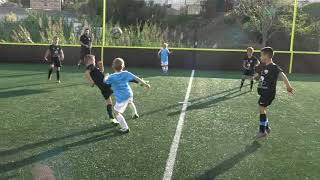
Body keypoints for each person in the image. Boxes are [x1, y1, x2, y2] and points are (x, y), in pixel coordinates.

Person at [255, 47, 295, 139]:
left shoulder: (274, 67)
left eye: (261, 55)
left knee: (261, 109)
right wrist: (256, 76)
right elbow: (261, 74)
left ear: (266, 56)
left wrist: (288, 86)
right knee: (263, 109)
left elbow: (282, 75)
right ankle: (267, 128)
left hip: (268, 93)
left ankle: (262, 131)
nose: (260, 57)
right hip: (263, 92)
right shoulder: (264, 66)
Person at [104, 58, 150, 133]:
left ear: (112, 66)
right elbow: (137, 78)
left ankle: (125, 128)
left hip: (121, 97)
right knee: (129, 102)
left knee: (117, 112)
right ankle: (134, 113)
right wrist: (145, 84)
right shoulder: (126, 73)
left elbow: (105, 81)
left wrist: (106, 76)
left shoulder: (111, 77)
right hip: (129, 94)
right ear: (123, 66)